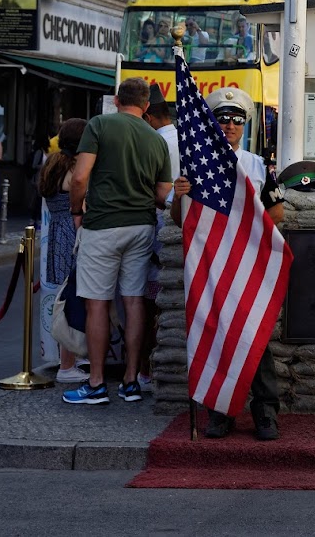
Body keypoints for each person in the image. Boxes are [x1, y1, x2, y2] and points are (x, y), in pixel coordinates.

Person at [172, 87, 284, 441]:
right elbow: (180, 219)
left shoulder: (256, 164)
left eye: (237, 120)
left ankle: (265, 413)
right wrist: (179, 195)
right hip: (211, 265)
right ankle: (218, 413)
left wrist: (246, 227)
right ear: (212, 123)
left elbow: (277, 212)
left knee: (255, 338)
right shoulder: (195, 165)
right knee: (216, 337)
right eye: (223, 119)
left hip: (248, 263)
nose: (230, 125)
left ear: (245, 125)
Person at [62, 78, 172, 407]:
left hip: (103, 225)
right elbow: (163, 194)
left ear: (115, 100)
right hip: (141, 226)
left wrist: (76, 210)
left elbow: (80, 177)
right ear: (147, 106)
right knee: (135, 301)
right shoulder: (156, 140)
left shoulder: (99, 125)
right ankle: (131, 380)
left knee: (97, 303)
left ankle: (96, 384)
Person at [38, 118, 89, 384]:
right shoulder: (76, 169)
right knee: (71, 300)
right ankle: (67, 365)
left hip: (57, 233)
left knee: (62, 296)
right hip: (72, 232)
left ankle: (68, 358)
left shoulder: (51, 163)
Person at [141, 84, 179, 397]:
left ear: (151, 117)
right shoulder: (187, 138)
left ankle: (145, 369)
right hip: (186, 228)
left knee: (150, 301)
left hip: (159, 227)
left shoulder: (153, 141)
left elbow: (156, 190)